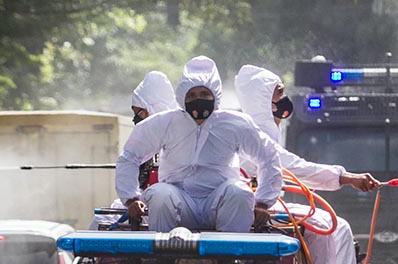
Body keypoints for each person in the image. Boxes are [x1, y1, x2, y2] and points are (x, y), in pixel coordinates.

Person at [234, 64, 381, 264]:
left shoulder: (260, 127)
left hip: (262, 203)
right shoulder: (254, 132)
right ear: (263, 99)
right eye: (279, 94)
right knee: (326, 224)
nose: (284, 99)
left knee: (339, 228)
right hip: (250, 205)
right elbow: (297, 167)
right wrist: (347, 177)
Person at [116, 56, 282, 232]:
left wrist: (263, 202)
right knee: (159, 194)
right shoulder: (165, 122)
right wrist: (131, 199)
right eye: (192, 95)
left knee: (240, 192)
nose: (198, 99)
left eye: (204, 94)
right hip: (178, 200)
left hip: (220, 201)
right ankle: (161, 254)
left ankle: (232, 255)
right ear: (182, 97)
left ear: (215, 95)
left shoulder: (236, 124)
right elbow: (130, 156)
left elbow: (269, 157)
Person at [89, 71, 177, 230]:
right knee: (99, 223)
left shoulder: (180, 136)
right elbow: (128, 163)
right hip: (143, 209)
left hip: (174, 209)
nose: (135, 118)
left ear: (149, 110)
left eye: (137, 112)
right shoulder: (143, 143)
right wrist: (132, 200)